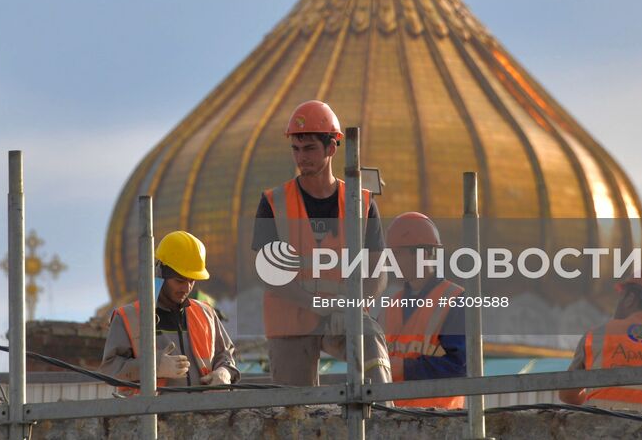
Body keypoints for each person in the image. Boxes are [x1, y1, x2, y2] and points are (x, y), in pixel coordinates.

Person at [251, 100, 391, 386]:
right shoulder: (273, 203)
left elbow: (378, 272)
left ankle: (383, 413)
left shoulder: (361, 203)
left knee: (370, 338)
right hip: (291, 320)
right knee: (295, 410)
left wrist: (352, 306)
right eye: (296, 149)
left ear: (331, 147)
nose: (301, 158)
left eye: (310, 148)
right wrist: (323, 306)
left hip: (344, 315)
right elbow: (269, 276)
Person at [100, 231, 240, 391]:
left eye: (191, 280)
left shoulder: (206, 313)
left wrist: (224, 372)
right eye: (179, 281)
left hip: (205, 413)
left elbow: (227, 355)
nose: (186, 288)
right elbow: (110, 370)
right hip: (151, 414)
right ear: (159, 274)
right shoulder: (128, 317)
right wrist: (152, 367)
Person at [559, 265, 642, 413]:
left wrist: (591, 401)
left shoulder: (597, 335)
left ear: (630, 299)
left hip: (602, 429)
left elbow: (567, 394)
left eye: (621, 296)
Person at [375, 212, 467, 409]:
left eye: (397, 254)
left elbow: (461, 367)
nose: (391, 262)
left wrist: (406, 369)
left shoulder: (456, 300)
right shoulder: (390, 306)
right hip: (392, 420)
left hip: (439, 422)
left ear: (422, 253)